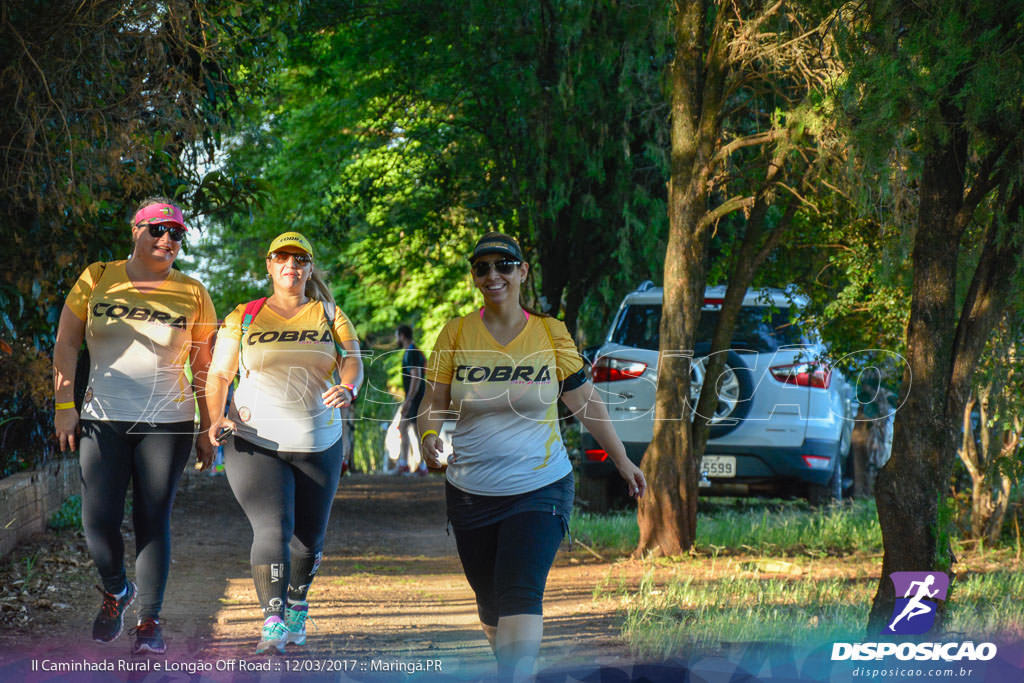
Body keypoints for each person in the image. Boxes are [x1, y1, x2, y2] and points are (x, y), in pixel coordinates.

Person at [418, 232, 646, 681]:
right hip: (469, 491)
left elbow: (585, 402)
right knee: (491, 604)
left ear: (522, 272)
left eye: (503, 265)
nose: (493, 275)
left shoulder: (549, 332)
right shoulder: (455, 332)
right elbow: (433, 402)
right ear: (474, 278)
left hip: (541, 486)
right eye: (482, 268)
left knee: (520, 591)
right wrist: (427, 435)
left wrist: (622, 459)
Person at [52, 197, 217, 655]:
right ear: (135, 230)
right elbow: (66, 342)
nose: (167, 239)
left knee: (152, 518)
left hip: (169, 421)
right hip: (102, 417)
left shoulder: (192, 291)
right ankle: (116, 590)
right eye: (158, 229)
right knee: (98, 520)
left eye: (177, 233)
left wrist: (208, 426)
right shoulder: (97, 278)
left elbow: (204, 363)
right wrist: (64, 403)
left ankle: (149, 620)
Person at [205, 231, 363, 654]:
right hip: (254, 439)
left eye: (299, 259)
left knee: (308, 539)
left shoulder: (330, 313)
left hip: (319, 439)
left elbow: (352, 359)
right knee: (271, 528)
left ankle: (296, 604)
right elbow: (220, 374)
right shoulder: (246, 316)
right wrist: (216, 416)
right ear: (270, 265)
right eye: (281, 257)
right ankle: (272, 619)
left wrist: (348, 387)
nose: (290, 265)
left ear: (309, 268)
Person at [396, 324, 427, 475]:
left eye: (397, 335)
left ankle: (420, 465)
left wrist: (409, 399)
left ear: (402, 335)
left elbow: (416, 376)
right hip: (415, 397)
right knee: (405, 428)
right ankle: (406, 464)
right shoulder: (414, 351)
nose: (397, 338)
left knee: (415, 431)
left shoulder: (412, 352)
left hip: (415, 398)